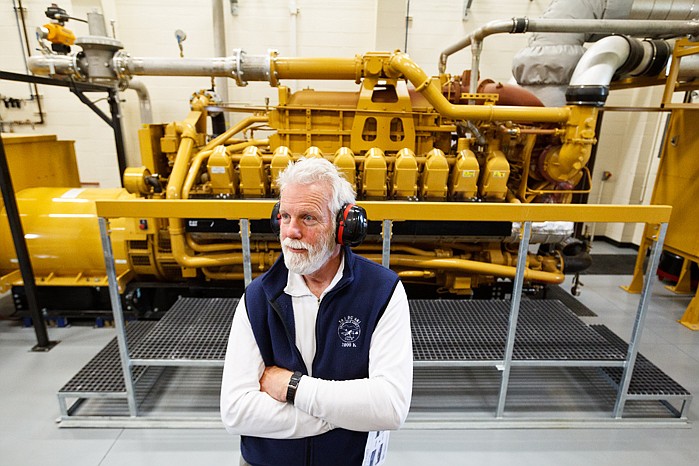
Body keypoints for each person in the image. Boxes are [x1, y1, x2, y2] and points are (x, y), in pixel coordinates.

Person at [220, 157, 413, 466]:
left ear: (344, 227)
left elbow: (390, 406)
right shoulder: (258, 297)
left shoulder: (382, 292)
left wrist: (292, 387)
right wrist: (343, 414)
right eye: (284, 216)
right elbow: (236, 412)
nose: (291, 232)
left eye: (308, 218)